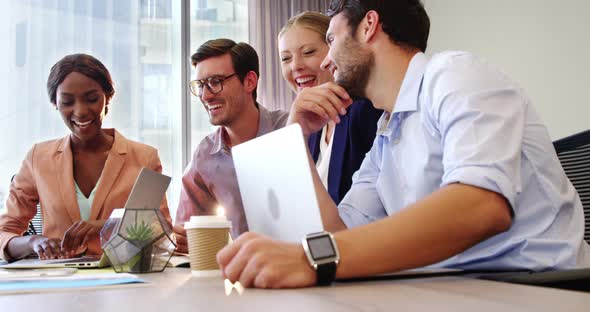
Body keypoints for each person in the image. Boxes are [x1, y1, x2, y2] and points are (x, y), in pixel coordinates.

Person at [217, 0, 590, 288]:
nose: (327, 61)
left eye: (330, 40)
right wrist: (297, 143)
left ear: (368, 25)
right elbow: (340, 235)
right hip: (454, 288)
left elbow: (481, 206)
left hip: (538, 287)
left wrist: (310, 258)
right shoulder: (386, 133)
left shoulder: (455, 75)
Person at [0, 53, 172, 261]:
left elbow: (160, 230)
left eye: (91, 99)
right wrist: (33, 242)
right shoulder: (38, 158)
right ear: (55, 103)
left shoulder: (144, 157)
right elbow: (5, 232)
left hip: (122, 280)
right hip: (57, 281)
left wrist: (105, 226)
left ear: (107, 97)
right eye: (67, 101)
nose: (80, 111)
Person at [174, 39, 289, 253]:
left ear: (249, 82)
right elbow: (186, 235)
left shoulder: (290, 130)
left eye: (216, 81)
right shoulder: (205, 155)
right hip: (239, 276)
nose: (206, 95)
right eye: (200, 85)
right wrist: (185, 240)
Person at [278, 11, 382, 204]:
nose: (295, 66)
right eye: (286, 59)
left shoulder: (363, 109)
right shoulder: (310, 121)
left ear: (335, 50)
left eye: (308, 52)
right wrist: (294, 130)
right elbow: (286, 199)